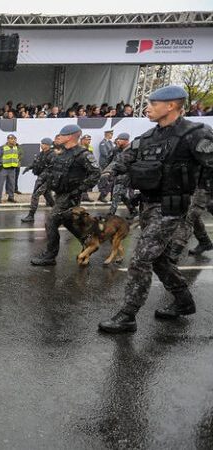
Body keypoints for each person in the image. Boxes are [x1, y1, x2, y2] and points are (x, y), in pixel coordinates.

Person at [98, 86, 213, 333]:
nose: (147, 108)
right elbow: (123, 161)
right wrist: (108, 174)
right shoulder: (149, 137)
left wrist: (203, 197)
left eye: (152, 103)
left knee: (140, 258)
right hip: (148, 205)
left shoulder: (195, 134)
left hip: (172, 208)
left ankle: (128, 314)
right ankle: (183, 302)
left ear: (171, 106)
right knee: (159, 259)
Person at [30, 124, 100, 266]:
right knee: (69, 223)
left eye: (61, 135)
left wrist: (79, 189)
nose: (59, 137)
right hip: (60, 194)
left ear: (70, 136)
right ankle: (89, 244)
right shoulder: (62, 152)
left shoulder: (82, 154)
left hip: (70, 197)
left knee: (51, 221)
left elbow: (96, 173)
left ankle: (50, 256)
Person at [21, 137, 57, 223]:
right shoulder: (42, 154)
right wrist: (29, 167)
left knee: (35, 195)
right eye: (41, 143)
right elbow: (36, 163)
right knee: (48, 196)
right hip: (41, 178)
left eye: (43, 143)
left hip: (47, 180)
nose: (41, 145)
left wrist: (43, 178)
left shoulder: (52, 155)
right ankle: (59, 213)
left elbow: (51, 169)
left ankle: (31, 215)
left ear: (48, 145)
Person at [107, 133, 139, 219]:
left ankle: (110, 215)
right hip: (118, 175)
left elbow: (132, 163)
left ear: (126, 140)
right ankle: (134, 211)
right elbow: (112, 161)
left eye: (120, 139)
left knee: (116, 194)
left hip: (127, 175)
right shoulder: (117, 150)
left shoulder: (132, 150)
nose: (117, 141)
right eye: (117, 139)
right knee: (122, 196)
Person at [0, 134, 20, 203]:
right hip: (4, 169)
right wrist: (1, 165)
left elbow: (17, 156)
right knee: (0, 184)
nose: (13, 140)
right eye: (12, 139)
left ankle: (11, 197)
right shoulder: (2, 147)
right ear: (8, 140)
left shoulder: (16, 147)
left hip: (12, 169)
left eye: (14, 139)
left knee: (12, 184)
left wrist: (16, 163)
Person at [97, 130, 116, 202]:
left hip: (110, 164)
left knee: (110, 180)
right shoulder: (103, 143)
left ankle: (106, 195)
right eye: (111, 134)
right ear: (107, 134)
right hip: (105, 163)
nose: (112, 135)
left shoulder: (110, 143)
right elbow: (105, 154)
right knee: (104, 180)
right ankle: (102, 195)